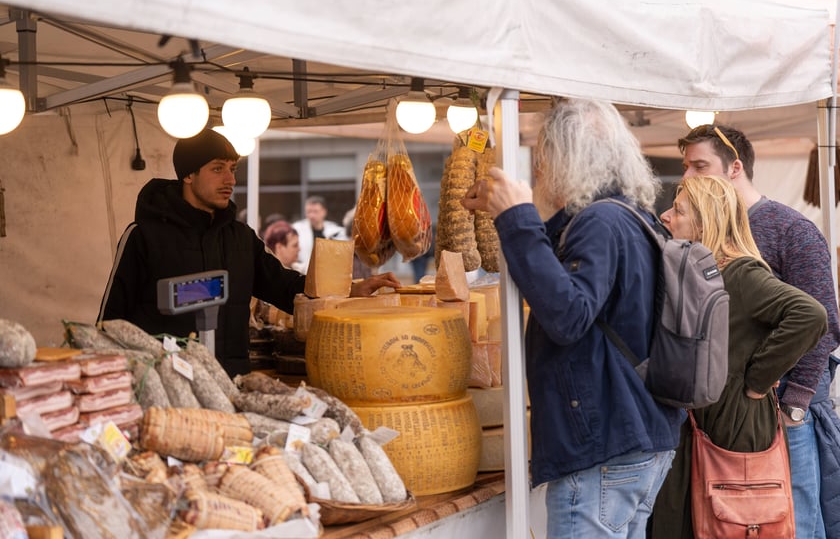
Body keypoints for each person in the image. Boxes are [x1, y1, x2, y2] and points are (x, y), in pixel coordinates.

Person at [462, 98, 682, 538]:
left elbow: (568, 315)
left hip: (603, 448)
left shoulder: (600, 222)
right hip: (636, 438)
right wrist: (511, 217)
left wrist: (519, 218)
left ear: (567, 157)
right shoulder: (632, 217)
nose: (541, 171)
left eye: (544, 158)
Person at [98, 129, 400, 376]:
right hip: (167, 384)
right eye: (217, 169)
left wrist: (351, 291)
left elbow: (289, 289)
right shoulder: (144, 236)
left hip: (232, 381)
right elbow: (109, 323)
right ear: (188, 175)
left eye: (232, 169)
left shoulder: (240, 239)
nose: (230, 180)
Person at [679, 124, 840, 539]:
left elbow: (821, 321)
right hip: (731, 423)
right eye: (686, 167)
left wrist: (793, 402)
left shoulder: (792, 230)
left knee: (792, 520)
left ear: (735, 168)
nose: (688, 178)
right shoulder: (702, 232)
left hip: (787, 415)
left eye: (700, 167)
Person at [649, 175, 827, 537]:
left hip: (736, 424)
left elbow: (811, 315)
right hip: (705, 424)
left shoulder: (740, 272)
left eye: (678, 210)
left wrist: (759, 378)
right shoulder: (701, 272)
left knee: (731, 522)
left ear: (704, 220)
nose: (666, 216)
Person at [292, 195, 346, 273]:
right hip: (304, 274)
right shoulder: (296, 230)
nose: (311, 215)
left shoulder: (335, 231)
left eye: (315, 211)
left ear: (324, 212)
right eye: (309, 212)